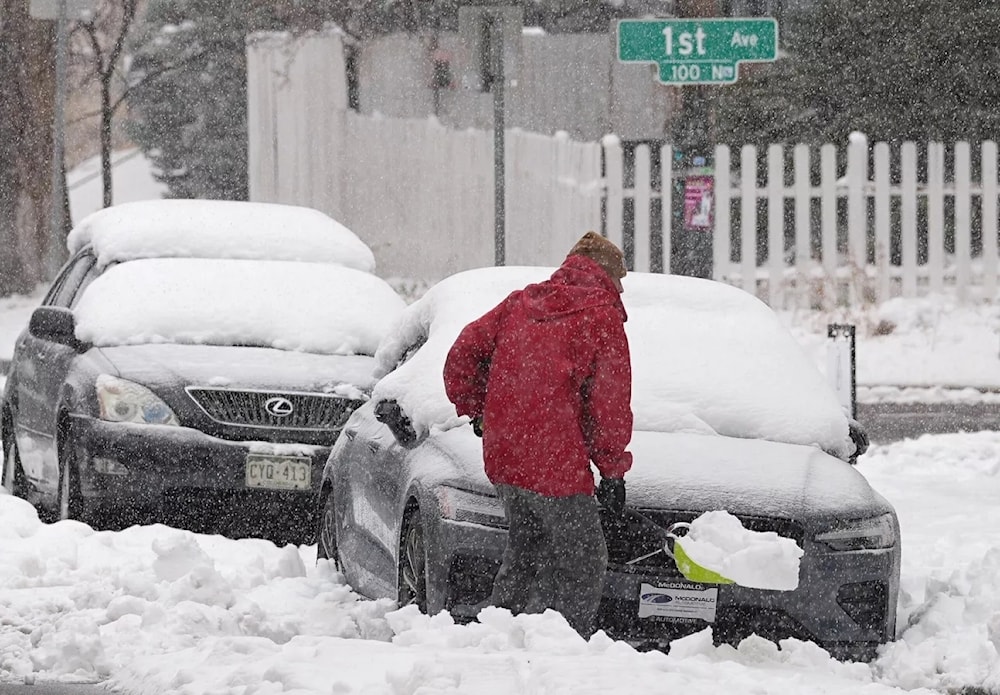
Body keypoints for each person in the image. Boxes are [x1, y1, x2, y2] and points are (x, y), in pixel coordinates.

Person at [442, 231, 633, 637]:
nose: (621, 287)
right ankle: (563, 645)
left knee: (526, 549)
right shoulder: (601, 317)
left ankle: (501, 629)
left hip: (506, 455)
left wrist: (479, 411)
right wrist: (613, 470)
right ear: (606, 275)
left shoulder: (520, 304)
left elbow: (460, 356)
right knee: (584, 560)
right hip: (556, 462)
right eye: (620, 278)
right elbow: (608, 405)